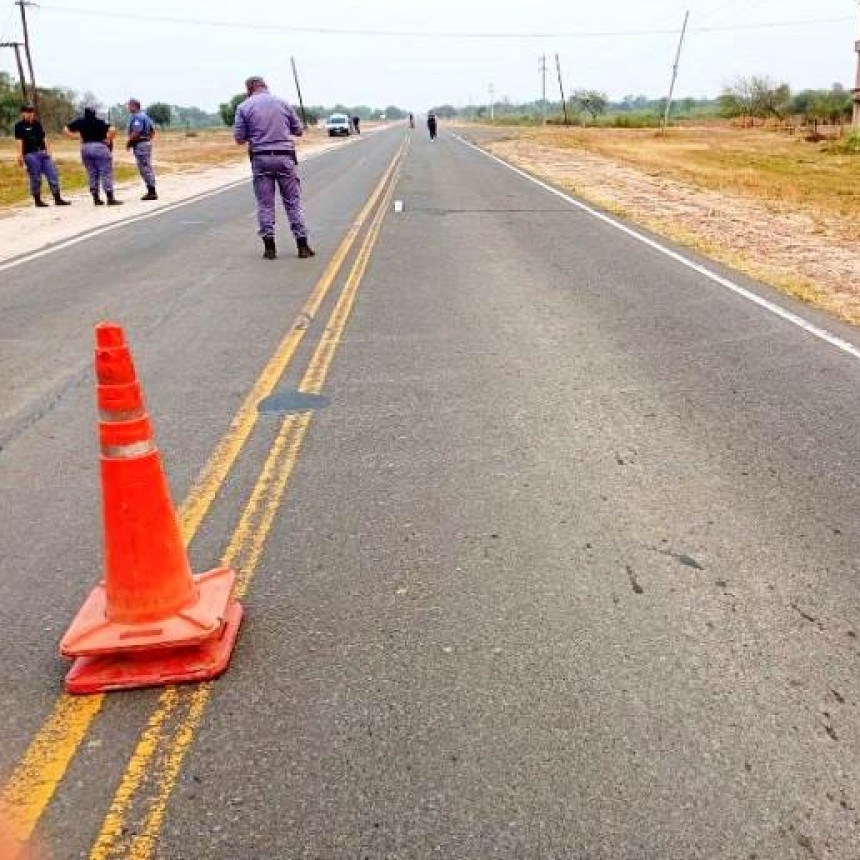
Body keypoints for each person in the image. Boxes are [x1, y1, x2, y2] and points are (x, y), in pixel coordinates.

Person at [233, 75, 314, 260]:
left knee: (265, 204)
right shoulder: (283, 103)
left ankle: (269, 248)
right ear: (265, 86)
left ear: (249, 89)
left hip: (261, 159)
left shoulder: (243, 107)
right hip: (285, 157)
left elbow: (239, 138)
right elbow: (299, 130)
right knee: (292, 202)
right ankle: (302, 245)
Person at [14, 103, 71, 207]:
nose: (30, 114)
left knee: (52, 174)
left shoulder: (37, 124)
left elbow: (44, 138)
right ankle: (38, 200)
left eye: (31, 112)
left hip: (42, 153)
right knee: (36, 177)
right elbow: (19, 141)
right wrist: (20, 156)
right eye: (28, 112)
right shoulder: (19, 126)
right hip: (30, 154)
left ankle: (58, 199)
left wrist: (48, 151)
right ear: (23, 113)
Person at [64, 107, 122, 206]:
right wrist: (108, 139)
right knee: (105, 172)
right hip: (99, 147)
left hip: (85, 148)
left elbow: (65, 129)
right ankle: (110, 198)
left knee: (92, 173)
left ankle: (96, 198)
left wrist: (76, 137)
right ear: (94, 113)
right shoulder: (100, 122)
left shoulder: (80, 122)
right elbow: (113, 129)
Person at [126, 99, 158, 200]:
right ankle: (151, 189)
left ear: (134, 106)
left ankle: (152, 191)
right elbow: (152, 131)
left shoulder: (137, 117)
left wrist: (129, 142)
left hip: (140, 144)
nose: (128, 108)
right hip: (146, 143)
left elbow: (136, 132)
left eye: (129, 106)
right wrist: (147, 139)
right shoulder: (145, 116)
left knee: (144, 167)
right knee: (147, 166)